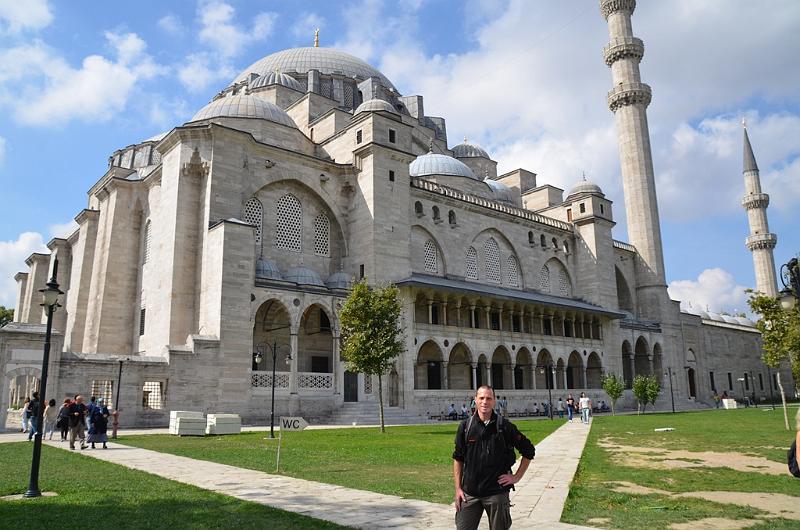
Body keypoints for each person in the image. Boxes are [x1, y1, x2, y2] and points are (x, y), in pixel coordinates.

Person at [453, 386, 535, 530]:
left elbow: (528, 451)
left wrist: (516, 477)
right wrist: (458, 488)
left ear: (494, 401)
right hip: (469, 493)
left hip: (496, 493)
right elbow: (458, 458)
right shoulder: (466, 427)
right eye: (481, 398)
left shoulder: (505, 426)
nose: (485, 402)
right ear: (475, 400)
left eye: (489, 398)